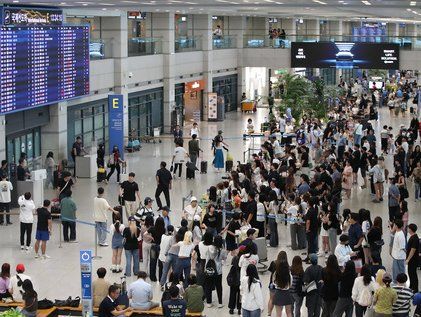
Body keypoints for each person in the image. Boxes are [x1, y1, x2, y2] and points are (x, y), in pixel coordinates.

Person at [204, 235, 226, 308]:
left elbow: (207, 257)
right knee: (219, 286)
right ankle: (220, 303)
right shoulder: (222, 249)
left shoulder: (209, 247)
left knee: (208, 286)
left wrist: (205, 268)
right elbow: (224, 258)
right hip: (218, 270)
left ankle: (209, 302)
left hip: (209, 269)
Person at [406, 223, 419, 293]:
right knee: (410, 273)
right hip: (411, 259)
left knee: (413, 273)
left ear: (410, 229)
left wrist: (408, 259)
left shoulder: (415, 238)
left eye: (408, 228)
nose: (407, 229)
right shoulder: (412, 237)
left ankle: (415, 288)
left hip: (413, 260)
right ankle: (411, 286)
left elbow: (413, 250)